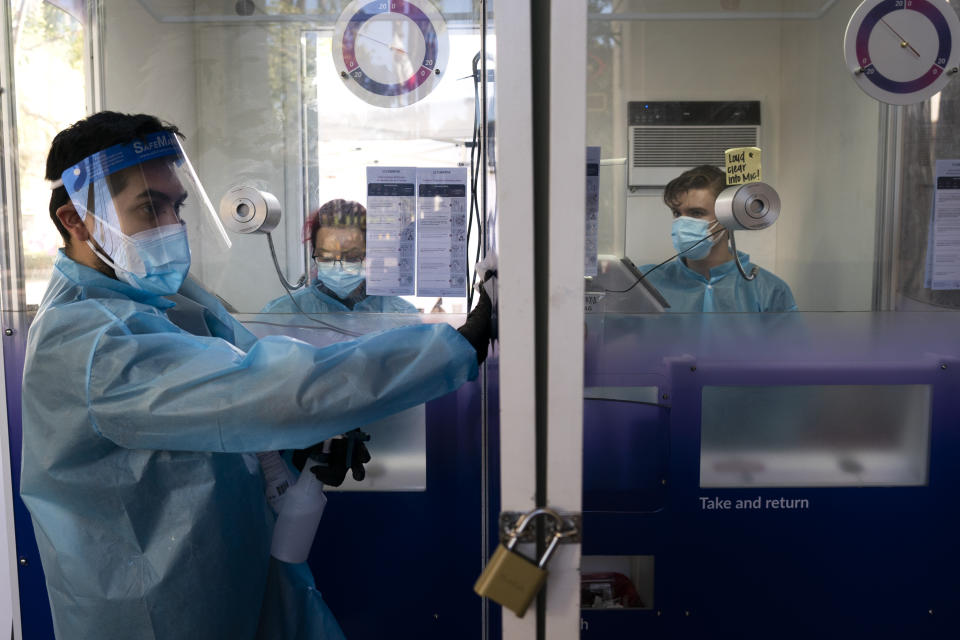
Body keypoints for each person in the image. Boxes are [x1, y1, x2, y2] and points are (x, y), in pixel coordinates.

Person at [19, 111, 493, 640]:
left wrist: (302, 447)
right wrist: (456, 345)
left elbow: (221, 403)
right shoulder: (84, 341)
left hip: (229, 575)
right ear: (75, 220)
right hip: (152, 610)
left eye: (176, 206)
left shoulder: (159, 296)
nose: (172, 226)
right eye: (150, 208)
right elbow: (264, 390)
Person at [639, 164, 797, 312]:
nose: (682, 223)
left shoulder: (769, 290)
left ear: (730, 217)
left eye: (696, 213)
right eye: (677, 213)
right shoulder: (646, 283)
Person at [260, 199, 418, 314]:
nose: (339, 268)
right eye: (326, 258)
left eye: (352, 257)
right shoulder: (284, 314)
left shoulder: (399, 314)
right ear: (314, 253)